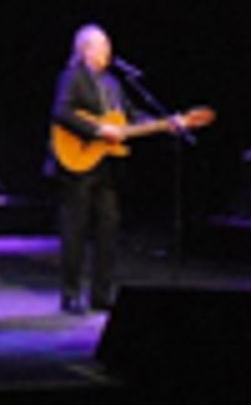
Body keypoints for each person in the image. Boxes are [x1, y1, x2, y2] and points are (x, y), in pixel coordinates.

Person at [49, 24, 177, 315]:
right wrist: (97, 130)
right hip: (77, 161)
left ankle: (101, 294)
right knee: (75, 229)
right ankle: (71, 294)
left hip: (107, 165)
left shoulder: (113, 83)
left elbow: (130, 116)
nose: (109, 50)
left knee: (109, 227)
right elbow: (62, 112)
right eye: (103, 45)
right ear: (86, 49)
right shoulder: (72, 76)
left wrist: (164, 123)